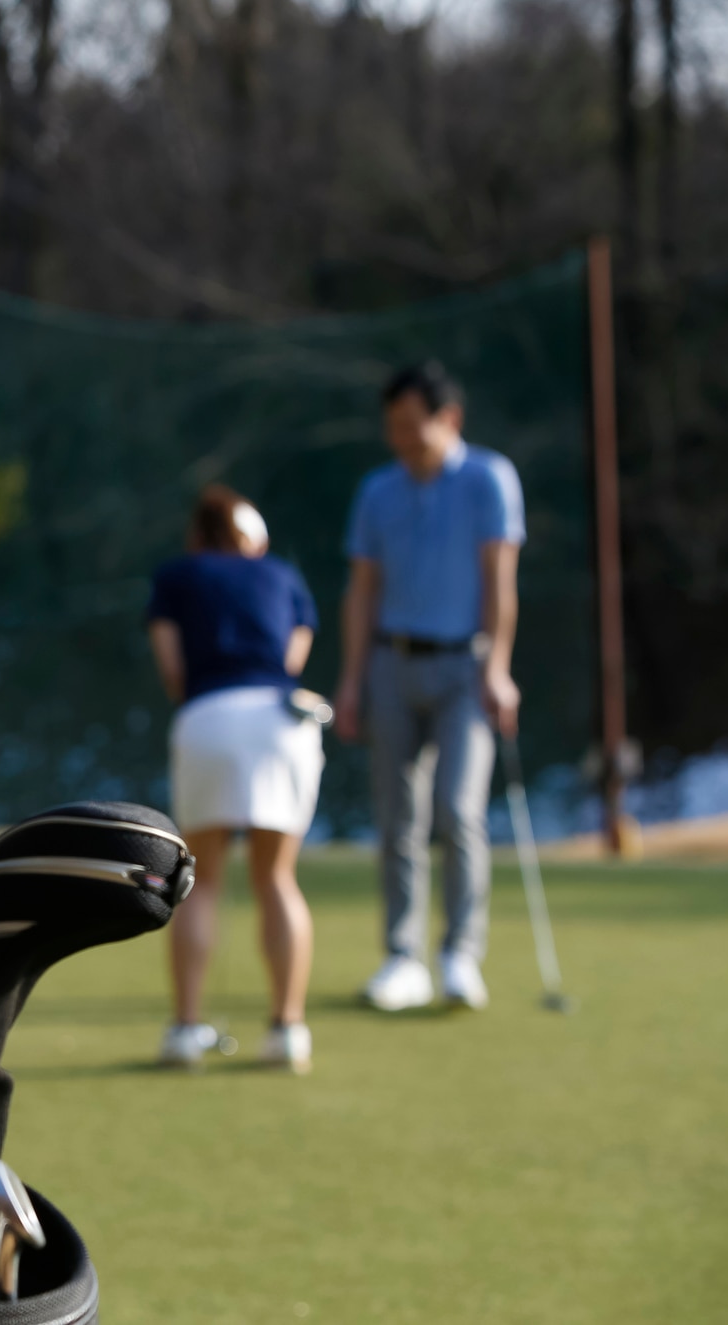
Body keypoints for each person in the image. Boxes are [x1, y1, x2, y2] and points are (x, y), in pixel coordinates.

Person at [333, 360, 523, 1013]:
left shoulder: (489, 478)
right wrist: (351, 680)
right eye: (393, 426)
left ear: (450, 419)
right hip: (390, 662)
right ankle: (402, 956)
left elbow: (500, 581)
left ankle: (460, 954)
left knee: (458, 810)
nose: (402, 437)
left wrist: (498, 667)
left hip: (465, 668)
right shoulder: (377, 490)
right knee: (397, 817)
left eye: (413, 424)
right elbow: (362, 590)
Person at [147, 486, 324, 1073]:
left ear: (198, 535)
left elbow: (174, 671)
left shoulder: (175, 576)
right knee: (276, 876)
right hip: (283, 722)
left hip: (209, 719)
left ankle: (185, 1030)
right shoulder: (283, 575)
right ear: (252, 536)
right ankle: (287, 1031)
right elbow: (292, 660)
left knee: (202, 878)